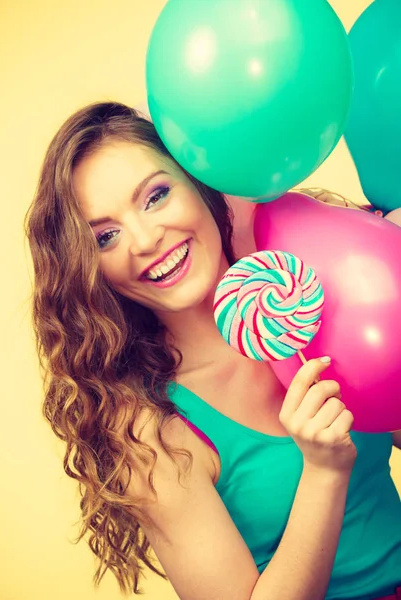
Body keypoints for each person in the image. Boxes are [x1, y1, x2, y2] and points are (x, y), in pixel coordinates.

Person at [24, 101, 401, 600]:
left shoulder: (309, 290)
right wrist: (323, 472)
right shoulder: (148, 428)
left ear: (200, 186)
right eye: (106, 236)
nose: (144, 239)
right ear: (89, 270)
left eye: (155, 196)